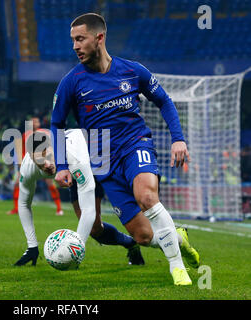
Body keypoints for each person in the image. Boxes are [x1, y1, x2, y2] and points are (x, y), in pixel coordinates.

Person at [51, 13, 200, 285]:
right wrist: (61, 166)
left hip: (135, 145)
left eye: (80, 39)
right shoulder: (71, 82)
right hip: (103, 162)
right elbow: (56, 124)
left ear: (99, 37)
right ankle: (179, 239)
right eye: (73, 40)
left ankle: (177, 267)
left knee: (146, 196)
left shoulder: (132, 70)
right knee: (143, 237)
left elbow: (164, 101)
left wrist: (178, 138)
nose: (75, 45)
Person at [14, 129, 144, 266]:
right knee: (95, 230)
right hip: (73, 169)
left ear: (56, 149)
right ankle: (131, 243)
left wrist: (74, 253)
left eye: (49, 156)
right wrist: (32, 246)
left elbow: (88, 210)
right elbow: (23, 204)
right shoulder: (28, 167)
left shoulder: (74, 157)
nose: (46, 165)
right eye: (40, 162)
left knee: (135, 229)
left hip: (94, 159)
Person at [7, 117, 63, 216]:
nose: (34, 123)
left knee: (50, 184)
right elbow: (22, 150)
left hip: (43, 162)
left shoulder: (44, 133)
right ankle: (16, 208)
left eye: (36, 121)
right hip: (29, 164)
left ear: (39, 123)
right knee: (17, 184)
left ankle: (59, 209)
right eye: (33, 122)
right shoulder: (25, 135)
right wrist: (21, 164)